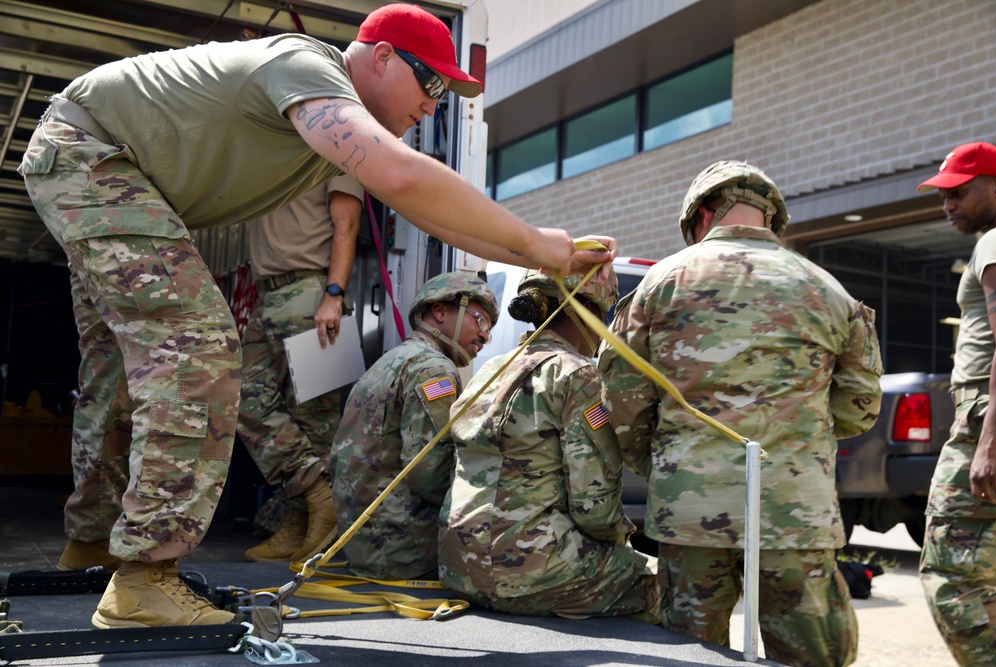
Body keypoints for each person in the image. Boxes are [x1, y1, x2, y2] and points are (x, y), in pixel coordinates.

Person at [19, 2, 615, 629]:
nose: (435, 105)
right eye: (431, 83)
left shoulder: (329, 130)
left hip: (94, 163)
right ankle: (143, 579)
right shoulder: (308, 68)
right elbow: (403, 178)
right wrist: (535, 240)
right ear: (382, 56)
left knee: (116, 375)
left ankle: (89, 548)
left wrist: (543, 254)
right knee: (197, 353)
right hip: (94, 156)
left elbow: (426, 213)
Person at [598, 161, 883, 667]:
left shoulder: (660, 282)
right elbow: (860, 406)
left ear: (703, 214)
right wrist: (797, 440)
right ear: (771, 215)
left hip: (688, 512)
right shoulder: (826, 287)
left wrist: (667, 462)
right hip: (795, 510)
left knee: (686, 654)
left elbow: (622, 400)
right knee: (812, 655)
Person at [438, 269, 660, 623]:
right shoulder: (576, 374)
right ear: (585, 310)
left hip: (459, 568)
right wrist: (623, 541)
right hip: (530, 574)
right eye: (602, 314)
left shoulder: (489, 369)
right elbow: (594, 507)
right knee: (669, 587)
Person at [330, 271, 497, 580]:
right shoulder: (433, 368)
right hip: (402, 551)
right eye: (481, 321)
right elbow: (430, 469)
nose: (486, 336)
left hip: (369, 544)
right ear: (441, 311)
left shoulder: (392, 360)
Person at [237, 175, 362, 563]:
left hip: (314, 293)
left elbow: (348, 224)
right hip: (270, 294)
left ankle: (309, 520)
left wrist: (334, 295)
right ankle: (315, 497)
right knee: (240, 398)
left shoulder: (335, 144)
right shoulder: (277, 152)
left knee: (315, 420)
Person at [917, 142, 996, 666]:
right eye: (943, 194)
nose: (947, 204)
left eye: (959, 192)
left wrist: (989, 438)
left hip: (986, 417)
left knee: (953, 576)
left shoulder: (994, 241)